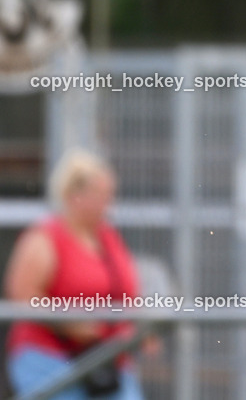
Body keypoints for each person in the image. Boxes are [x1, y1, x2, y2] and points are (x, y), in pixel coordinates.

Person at [4, 149, 146, 399]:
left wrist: (138, 329)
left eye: (109, 194)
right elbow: (22, 297)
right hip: (49, 358)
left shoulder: (108, 237)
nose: (108, 202)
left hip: (107, 361)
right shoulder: (45, 238)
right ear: (75, 196)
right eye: (101, 194)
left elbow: (127, 291)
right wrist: (68, 322)